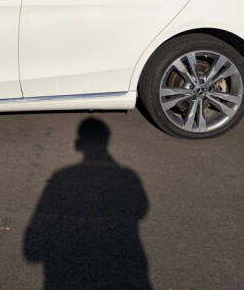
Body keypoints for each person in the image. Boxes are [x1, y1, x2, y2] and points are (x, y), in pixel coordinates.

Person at [24, 117, 151, 289]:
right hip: (124, 264)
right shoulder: (128, 176)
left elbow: (32, 251)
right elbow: (142, 209)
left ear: (79, 144)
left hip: (69, 271)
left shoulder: (62, 175)